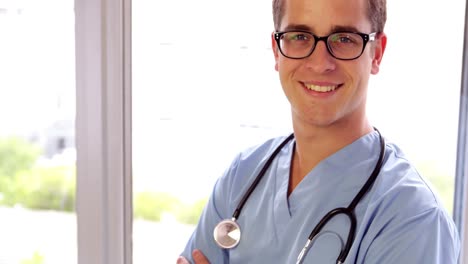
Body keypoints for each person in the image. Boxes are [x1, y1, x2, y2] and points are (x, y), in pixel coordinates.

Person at [177, 0, 461, 262]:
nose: (320, 63)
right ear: (277, 50)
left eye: (345, 39)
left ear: (377, 53)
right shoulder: (242, 176)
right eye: (300, 36)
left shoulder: (413, 217)